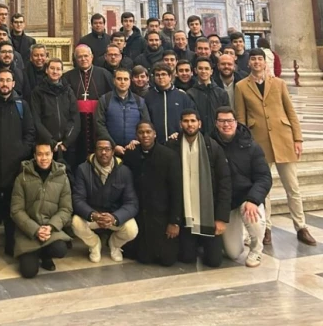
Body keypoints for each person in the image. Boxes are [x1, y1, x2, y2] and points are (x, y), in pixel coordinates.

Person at [235, 48, 317, 246]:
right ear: (249, 63)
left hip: (283, 139)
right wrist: (245, 145)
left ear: (265, 63)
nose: (256, 63)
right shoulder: (241, 86)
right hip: (259, 143)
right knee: (264, 188)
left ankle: (301, 226)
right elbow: (241, 118)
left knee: (293, 187)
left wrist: (298, 139)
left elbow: (290, 111)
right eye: (253, 59)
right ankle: (266, 228)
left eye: (259, 59)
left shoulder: (279, 84)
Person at [166, 109, 231, 267]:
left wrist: (221, 218)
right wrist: (173, 220)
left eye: (193, 121)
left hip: (208, 214)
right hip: (184, 215)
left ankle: (203, 243)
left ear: (199, 123)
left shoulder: (212, 147)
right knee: (187, 258)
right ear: (181, 124)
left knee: (214, 261)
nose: (189, 124)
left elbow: (225, 183)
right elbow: (167, 185)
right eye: (186, 121)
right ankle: (194, 243)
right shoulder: (172, 146)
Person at [0, 69, 36, 260]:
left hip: (15, 168)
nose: (5, 84)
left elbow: (30, 133)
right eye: (1, 80)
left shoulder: (22, 105)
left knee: (12, 210)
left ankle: (10, 245)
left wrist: (20, 152)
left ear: (14, 84)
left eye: (8, 80)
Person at [212, 106, 271, 267]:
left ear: (236, 122)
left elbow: (264, 177)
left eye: (229, 121)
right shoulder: (210, 145)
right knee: (233, 253)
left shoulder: (251, 146)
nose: (226, 125)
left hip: (247, 198)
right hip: (227, 203)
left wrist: (253, 199)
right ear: (216, 123)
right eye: (222, 121)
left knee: (253, 215)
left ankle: (256, 250)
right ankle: (242, 234)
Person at [122, 121, 183, 266]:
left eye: (148, 132)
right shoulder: (131, 155)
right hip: (141, 216)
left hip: (163, 216)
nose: (145, 135)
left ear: (155, 134)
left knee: (167, 260)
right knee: (144, 259)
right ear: (137, 135)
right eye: (141, 132)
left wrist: (174, 222)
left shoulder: (169, 156)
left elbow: (176, 190)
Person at [11, 142, 73, 278]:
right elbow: (16, 210)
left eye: (47, 154)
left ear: (52, 155)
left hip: (50, 230)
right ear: (34, 156)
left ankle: (45, 255)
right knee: (28, 272)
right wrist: (36, 230)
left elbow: (66, 209)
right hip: (28, 231)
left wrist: (50, 227)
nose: (43, 158)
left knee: (60, 249)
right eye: (39, 154)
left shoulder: (62, 177)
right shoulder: (22, 177)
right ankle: (34, 253)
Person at [72, 139, 139, 263]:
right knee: (76, 222)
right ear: (95, 151)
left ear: (113, 151)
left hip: (113, 217)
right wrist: (94, 215)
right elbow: (77, 199)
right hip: (93, 215)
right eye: (100, 149)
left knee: (132, 229)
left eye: (107, 149)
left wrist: (114, 217)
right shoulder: (83, 169)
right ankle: (94, 244)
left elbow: (132, 203)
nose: (104, 153)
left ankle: (114, 244)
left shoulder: (124, 171)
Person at [63, 45, 113, 168]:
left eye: (86, 56)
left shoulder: (104, 74)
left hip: (98, 121)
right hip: (77, 122)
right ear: (75, 59)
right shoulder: (67, 76)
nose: (83, 59)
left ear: (92, 57)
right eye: (80, 56)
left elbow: (111, 98)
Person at [31, 58, 80, 168]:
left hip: (67, 146)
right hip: (46, 145)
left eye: (58, 69)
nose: (55, 71)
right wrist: (50, 141)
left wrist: (66, 142)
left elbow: (75, 118)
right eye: (52, 68)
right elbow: (36, 120)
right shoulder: (38, 92)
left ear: (62, 72)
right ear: (46, 70)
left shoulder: (68, 91)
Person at [95, 68, 150, 154]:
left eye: (125, 79)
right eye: (119, 79)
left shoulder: (139, 101)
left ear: (130, 81)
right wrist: (113, 145)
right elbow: (99, 124)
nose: (122, 82)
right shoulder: (105, 100)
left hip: (135, 148)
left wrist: (137, 141)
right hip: (110, 150)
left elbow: (146, 124)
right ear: (114, 81)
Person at [144, 62, 194, 143]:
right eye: (157, 75)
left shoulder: (182, 96)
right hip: (156, 144)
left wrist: (181, 133)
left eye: (164, 74)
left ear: (170, 76)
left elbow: (190, 118)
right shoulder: (148, 97)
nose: (160, 77)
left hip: (178, 141)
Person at [186, 57, 230, 136]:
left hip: (219, 136)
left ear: (211, 71)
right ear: (196, 71)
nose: (203, 71)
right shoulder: (190, 94)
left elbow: (227, 116)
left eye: (206, 68)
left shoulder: (221, 93)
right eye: (200, 68)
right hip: (198, 136)